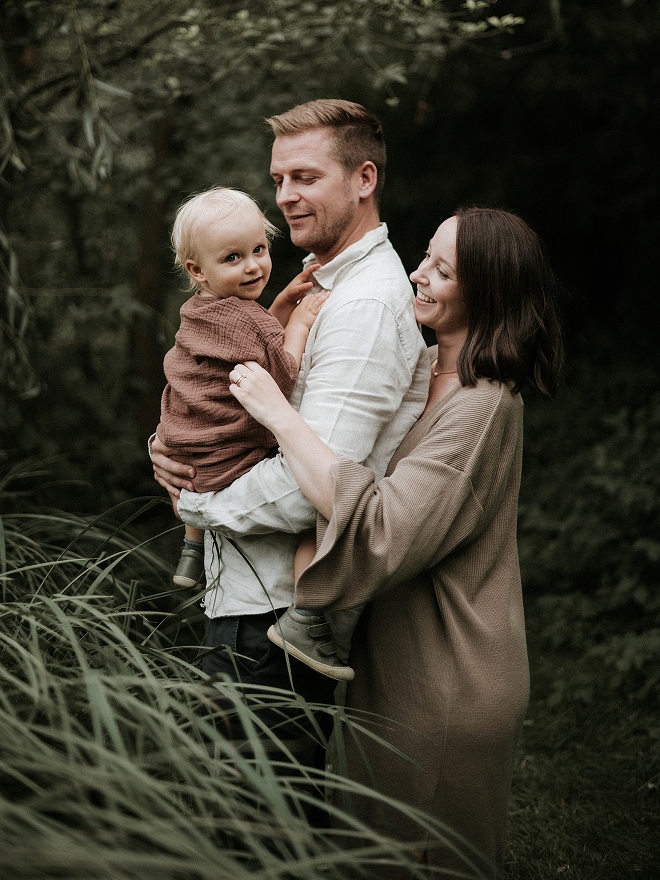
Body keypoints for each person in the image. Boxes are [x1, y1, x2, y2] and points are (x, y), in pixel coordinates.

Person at [226, 207, 564, 876]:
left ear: (488, 294)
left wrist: (278, 413)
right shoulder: (429, 372)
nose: (418, 273)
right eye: (424, 256)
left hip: (446, 679)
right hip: (401, 667)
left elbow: (385, 529)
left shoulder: (482, 405)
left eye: (442, 269)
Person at [150, 100, 430, 756]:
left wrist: (194, 499)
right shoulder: (306, 290)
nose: (285, 197)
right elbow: (214, 390)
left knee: (266, 837)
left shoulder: (360, 306)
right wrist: (170, 444)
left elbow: (316, 483)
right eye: (278, 180)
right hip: (249, 604)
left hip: (273, 620)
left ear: (364, 179)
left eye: (304, 177)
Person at [155, 186, 349, 679]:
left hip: (187, 448)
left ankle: (191, 547)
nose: (252, 267)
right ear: (197, 270)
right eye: (233, 258)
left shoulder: (202, 311)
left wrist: (281, 301)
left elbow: (253, 339)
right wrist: (301, 322)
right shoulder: (248, 320)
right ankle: (306, 618)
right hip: (227, 459)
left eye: (259, 250)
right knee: (322, 514)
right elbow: (279, 371)